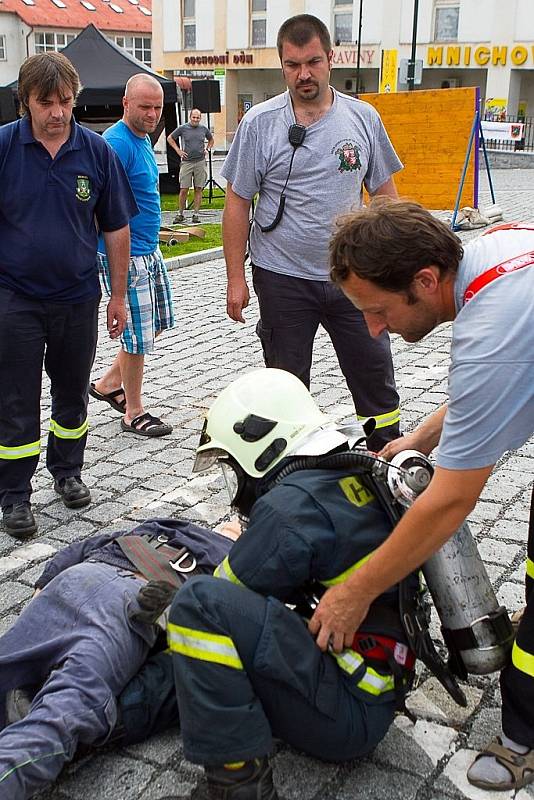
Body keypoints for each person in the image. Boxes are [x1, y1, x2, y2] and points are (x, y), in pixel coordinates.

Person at [309, 199, 534, 792]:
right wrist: (417, 439)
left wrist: (355, 592)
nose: (374, 329)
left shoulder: (491, 329)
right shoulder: (492, 253)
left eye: (378, 310)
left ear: (426, 280)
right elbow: (483, 391)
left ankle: (524, 740)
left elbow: (449, 503)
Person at [165, 368, 419, 800]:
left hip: (348, 709)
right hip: (375, 683)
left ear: (262, 447)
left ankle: (238, 786)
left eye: (232, 464)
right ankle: (105, 718)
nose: (237, 481)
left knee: (195, 611)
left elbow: (223, 595)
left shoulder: (291, 508)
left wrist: (163, 611)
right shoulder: (350, 470)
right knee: (200, 664)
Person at [221, 14, 402, 452]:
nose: (304, 74)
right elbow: (237, 202)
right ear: (282, 65)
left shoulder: (363, 118)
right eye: (292, 64)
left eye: (313, 62)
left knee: (373, 374)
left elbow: (386, 196)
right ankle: (290, 476)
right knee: (286, 387)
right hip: (281, 277)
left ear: (330, 59)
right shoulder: (260, 123)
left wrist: (395, 266)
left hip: (352, 279)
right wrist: (234, 278)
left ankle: (388, 457)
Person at [0, 52, 137, 540]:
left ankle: (67, 473)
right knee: (15, 400)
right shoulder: (4, 148)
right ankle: (14, 495)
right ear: (26, 102)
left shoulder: (97, 153)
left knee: (72, 392)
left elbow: (117, 227)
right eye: (46, 102)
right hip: (14, 299)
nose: (57, 112)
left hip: (78, 298)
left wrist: (117, 296)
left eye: (65, 101)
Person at [0, 517, 233, 800]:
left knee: (41, 692)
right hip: (123, 604)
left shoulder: (162, 526)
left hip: (83, 581)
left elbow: (82, 548)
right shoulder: (229, 558)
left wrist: (45, 589)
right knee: (63, 714)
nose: (234, 525)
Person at [89, 74, 175, 438]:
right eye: (145, 107)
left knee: (154, 323)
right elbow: (96, 205)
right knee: (136, 336)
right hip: (125, 254)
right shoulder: (114, 145)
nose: (153, 114)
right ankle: (134, 412)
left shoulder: (141, 140)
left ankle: (109, 383)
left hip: (148, 249)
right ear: (126, 103)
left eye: (157, 107)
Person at [167, 108, 214, 224]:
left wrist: (207, 149)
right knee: (184, 189)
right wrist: (178, 151)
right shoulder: (183, 128)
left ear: (200, 118)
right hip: (187, 162)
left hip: (200, 162)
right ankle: (180, 214)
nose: (195, 119)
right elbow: (170, 138)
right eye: (194, 117)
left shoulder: (203, 129)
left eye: (198, 118)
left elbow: (211, 139)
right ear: (190, 117)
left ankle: (196, 214)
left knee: (198, 188)